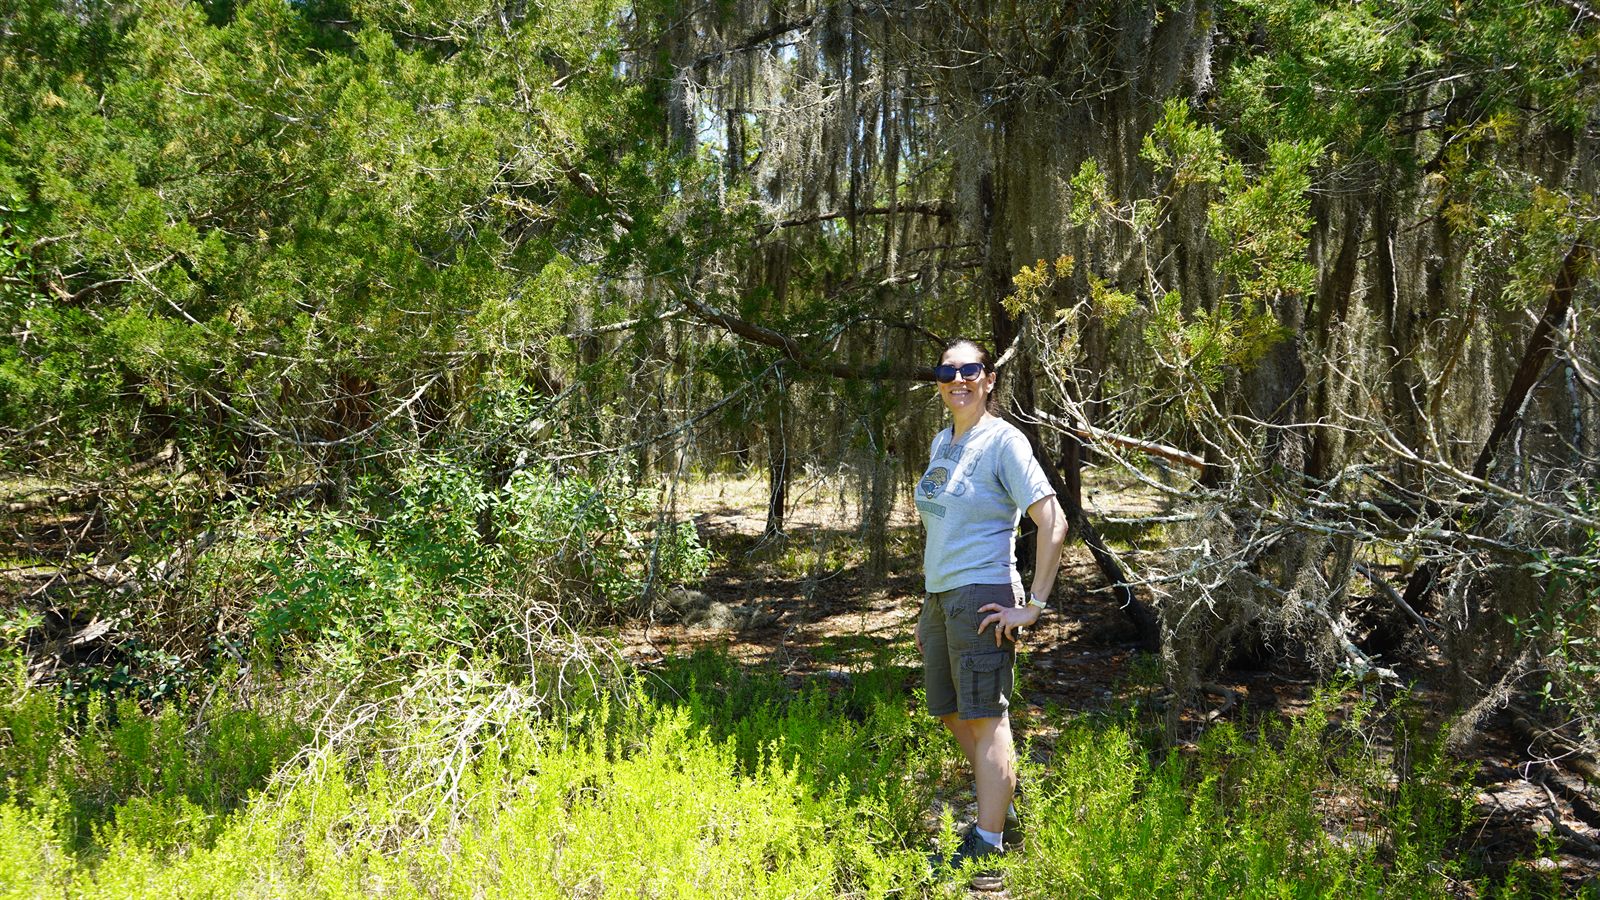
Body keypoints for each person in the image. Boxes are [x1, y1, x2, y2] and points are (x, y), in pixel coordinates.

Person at [913, 338, 1067, 890]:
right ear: (938, 382)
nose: (959, 379)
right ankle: (998, 801)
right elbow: (944, 524)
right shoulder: (942, 440)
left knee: (986, 718)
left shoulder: (1004, 442)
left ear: (990, 378)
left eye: (970, 370)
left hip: (981, 593)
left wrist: (1034, 607)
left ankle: (988, 852)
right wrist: (928, 602)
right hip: (942, 597)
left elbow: (1052, 522)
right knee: (953, 712)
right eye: (947, 371)